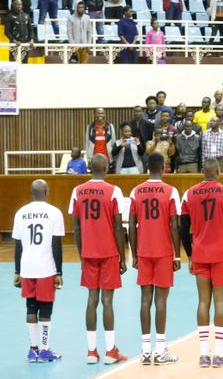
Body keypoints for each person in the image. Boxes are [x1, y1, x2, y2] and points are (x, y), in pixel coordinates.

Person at [180, 158, 223, 368]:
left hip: (200, 254)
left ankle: (204, 355)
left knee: (203, 302)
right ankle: (220, 355)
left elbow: (183, 230)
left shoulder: (188, 194)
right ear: (217, 171)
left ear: (202, 172)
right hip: (222, 254)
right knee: (221, 302)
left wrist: (190, 255)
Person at [69, 154, 128, 364]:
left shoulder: (78, 191)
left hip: (89, 252)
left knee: (92, 300)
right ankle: (111, 352)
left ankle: (91, 352)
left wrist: (81, 252)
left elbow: (76, 227)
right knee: (107, 301)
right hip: (109, 251)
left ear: (89, 168)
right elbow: (119, 226)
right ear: (106, 167)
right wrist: (122, 257)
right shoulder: (114, 190)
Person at [126, 153, 181, 366]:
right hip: (164, 251)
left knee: (145, 299)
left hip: (144, 251)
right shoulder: (171, 191)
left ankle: (145, 350)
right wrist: (177, 254)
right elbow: (174, 224)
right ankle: (160, 350)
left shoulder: (136, 191)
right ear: (164, 167)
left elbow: (131, 224)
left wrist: (135, 252)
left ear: (147, 167)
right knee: (161, 300)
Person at [13, 179, 64, 363]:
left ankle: (32, 350)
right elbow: (56, 245)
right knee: (46, 309)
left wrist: (17, 270)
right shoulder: (54, 213)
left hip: (27, 267)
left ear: (32, 193)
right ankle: (44, 350)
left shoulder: (21, 213)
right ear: (46, 192)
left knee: (31, 306)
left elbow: (18, 245)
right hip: (46, 268)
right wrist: (59, 272)